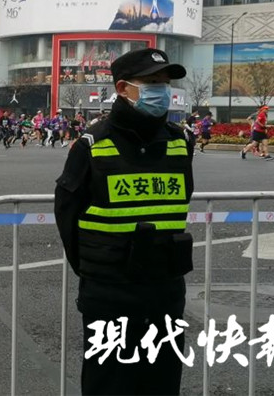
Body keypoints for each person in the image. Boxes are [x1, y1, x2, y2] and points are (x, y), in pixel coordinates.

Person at [55, 48, 194, 395]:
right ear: (122, 88)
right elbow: (67, 215)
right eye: (151, 82)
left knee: (162, 385)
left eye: (164, 82)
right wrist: (96, 267)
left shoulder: (180, 142)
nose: (161, 91)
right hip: (110, 294)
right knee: (108, 386)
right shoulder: (92, 145)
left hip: (166, 292)